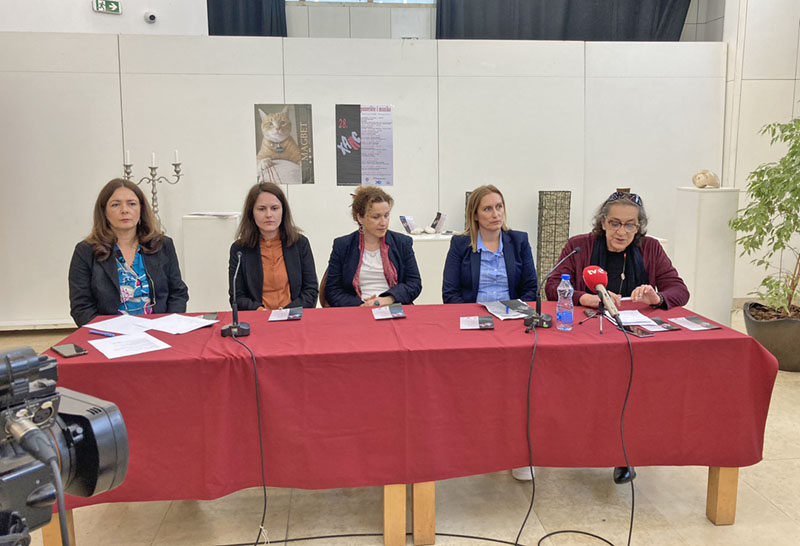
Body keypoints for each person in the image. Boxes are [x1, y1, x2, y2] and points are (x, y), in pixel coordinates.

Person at [545, 190, 690, 485]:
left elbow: (679, 290)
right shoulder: (579, 246)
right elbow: (552, 286)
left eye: (629, 225)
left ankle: (624, 453)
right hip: (588, 333)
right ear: (602, 222)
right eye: (614, 223)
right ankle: (577, 442)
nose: (621, 232)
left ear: (639, 227)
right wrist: (585, 297)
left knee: (631, 385)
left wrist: (657, 297)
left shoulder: (650, 249)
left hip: (632, 336)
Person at [68, 178, 189, 327]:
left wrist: (169, 325)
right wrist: (106, 331)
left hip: (160, 329)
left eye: (131, 204)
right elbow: (81, 306)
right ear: (104, 211)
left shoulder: (163, 245)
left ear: (141, 209)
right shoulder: (86, 251)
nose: (124, 210)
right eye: (115, 204)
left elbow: (178, 293)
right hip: (109, 333)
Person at [325, 186, 421, 307]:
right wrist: (362, 305)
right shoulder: (342, 245)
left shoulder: (402, 243)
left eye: (386, 215)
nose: (383, 223)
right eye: (376, 217)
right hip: (356, 308)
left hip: (393, 305)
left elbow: (414, 284)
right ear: (360, 218)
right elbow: (332, 290)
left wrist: (387, 299)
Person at [442, 184, 538, 304]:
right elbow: (450, 293)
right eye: (487, 209)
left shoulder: (519, 241)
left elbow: (531, 289)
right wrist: (469, 313)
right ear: (475, 215)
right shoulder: (459, 244)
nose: (496, 214)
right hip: (472, 312)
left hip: (512, 311)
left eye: (499, 207)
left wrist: (516, 310)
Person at [229, 183, 318, 311]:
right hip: (258, 317)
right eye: (261, 209)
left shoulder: (300, 243)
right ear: (251, 212)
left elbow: (311, 291)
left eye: (274, 208)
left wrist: (287, 312)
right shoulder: (239, 249)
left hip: (294, 316)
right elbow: (237, 297)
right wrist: (260, 311)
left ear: (283, 211)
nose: (269, 215)